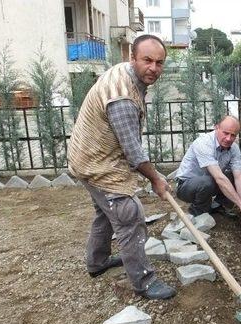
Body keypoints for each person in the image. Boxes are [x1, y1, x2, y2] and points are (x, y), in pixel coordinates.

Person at [67, 34, 176, 300]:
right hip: (97, 163)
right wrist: (156, 179)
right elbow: (133, 151)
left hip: (89, 154)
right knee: (129, 215)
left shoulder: (127, 74)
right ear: (132, 58)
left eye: (159, 62)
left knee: (106, 212)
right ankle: (144, 282)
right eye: (147, 60)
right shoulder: (123, 98)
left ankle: (97, 262)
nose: (153, 68)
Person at [174, 115, 241, 224]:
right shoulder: (204, 143)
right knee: (208, 181)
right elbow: (219, 178)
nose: (229, 138)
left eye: (233, 135)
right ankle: (198, 214)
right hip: (186, 187)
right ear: (216, 127)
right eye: (225, 133)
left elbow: (239, 177)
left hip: (210, 181)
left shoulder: (234, 148)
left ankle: (218, 206)